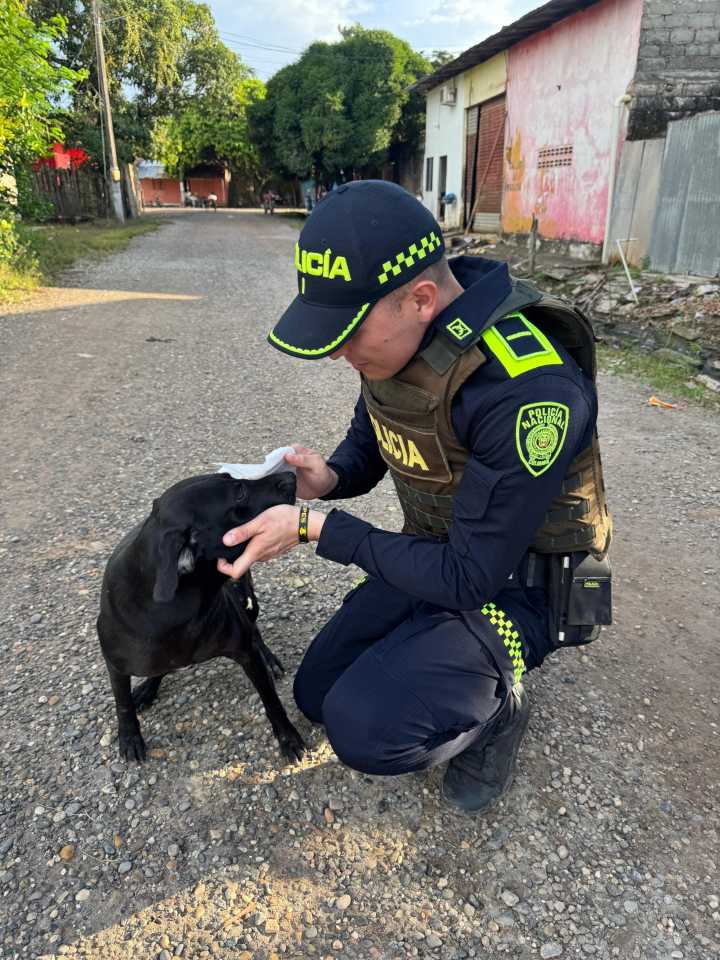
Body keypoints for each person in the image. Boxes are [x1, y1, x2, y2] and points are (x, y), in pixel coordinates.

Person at [218, 180, 612, 813]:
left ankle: (499, 710)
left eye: (348, 334)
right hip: (447, 555)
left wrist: (316, 527)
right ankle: (443, 653)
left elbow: (469, 577)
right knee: (317, 694)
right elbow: (371, 441)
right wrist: (330, 477)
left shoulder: (526, 391)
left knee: (365, 729)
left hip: (537, 588)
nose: (340, 354)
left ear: (422, 299)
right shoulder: (409, 347)